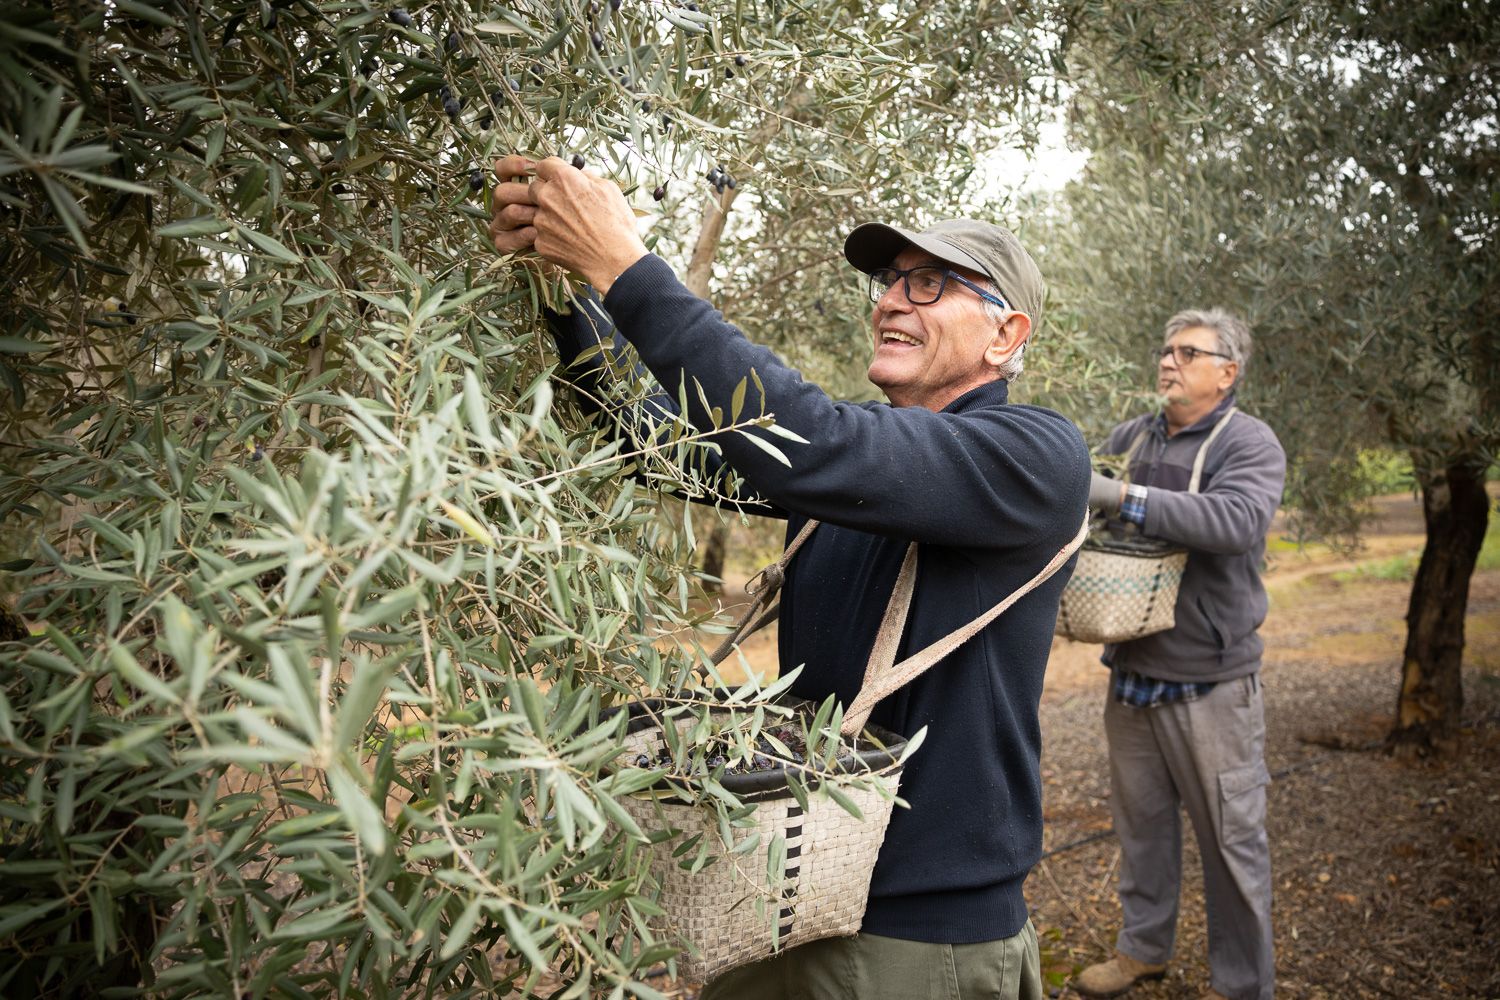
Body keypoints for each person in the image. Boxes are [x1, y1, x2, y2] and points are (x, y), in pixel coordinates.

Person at [488, 155, 1089, 999]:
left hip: (914, 942)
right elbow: (650, 439)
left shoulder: (1035, 457)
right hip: (790, 893)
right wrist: (568, 293)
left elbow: (807, 436)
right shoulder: (856, 467)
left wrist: (626, 265)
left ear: (1007, 335)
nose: (889, 299)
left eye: (929, 285)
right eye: (888, 282)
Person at [1074, 309, 1286, 1000]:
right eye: (1165, 349)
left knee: (1232, 845)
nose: (1169, 361)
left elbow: (1236, 521)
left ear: (1228, 372)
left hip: (1211, 682)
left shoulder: (1248, 443)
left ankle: (1242, 984)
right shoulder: (1131, 436)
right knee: (1143, 830)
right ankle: (1142, 950)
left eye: (1188, 352)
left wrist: (1124, 495)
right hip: (1133, 669)